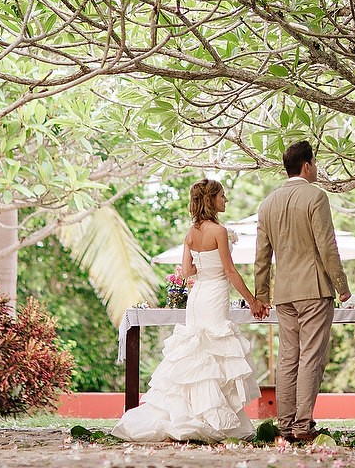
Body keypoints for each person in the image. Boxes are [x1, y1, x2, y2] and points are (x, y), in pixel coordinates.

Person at [112, 179, 270, 442]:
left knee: (196, 353)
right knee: (213, 352)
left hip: (198, 297)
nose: (226, 200)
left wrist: (204, 266)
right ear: (211, 200)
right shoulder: (218, 231)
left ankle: (188, 416)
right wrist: (252, 300)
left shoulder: (190, 233)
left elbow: (187, 272)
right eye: (222, 196)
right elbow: (230, 272)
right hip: (215, 294)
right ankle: (208, 420)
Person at [254, 141, 350, 443]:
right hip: (314, 289)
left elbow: (261, 255)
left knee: (287, 358)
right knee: (311, 357)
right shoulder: (315, 196)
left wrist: (261, 293)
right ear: (307, 165)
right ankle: (302, 425)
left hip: (283, 293)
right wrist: (342, 286)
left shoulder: (267, 203)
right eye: (316, 162)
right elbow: (327, 245)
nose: (317, 168)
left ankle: (284, 424)